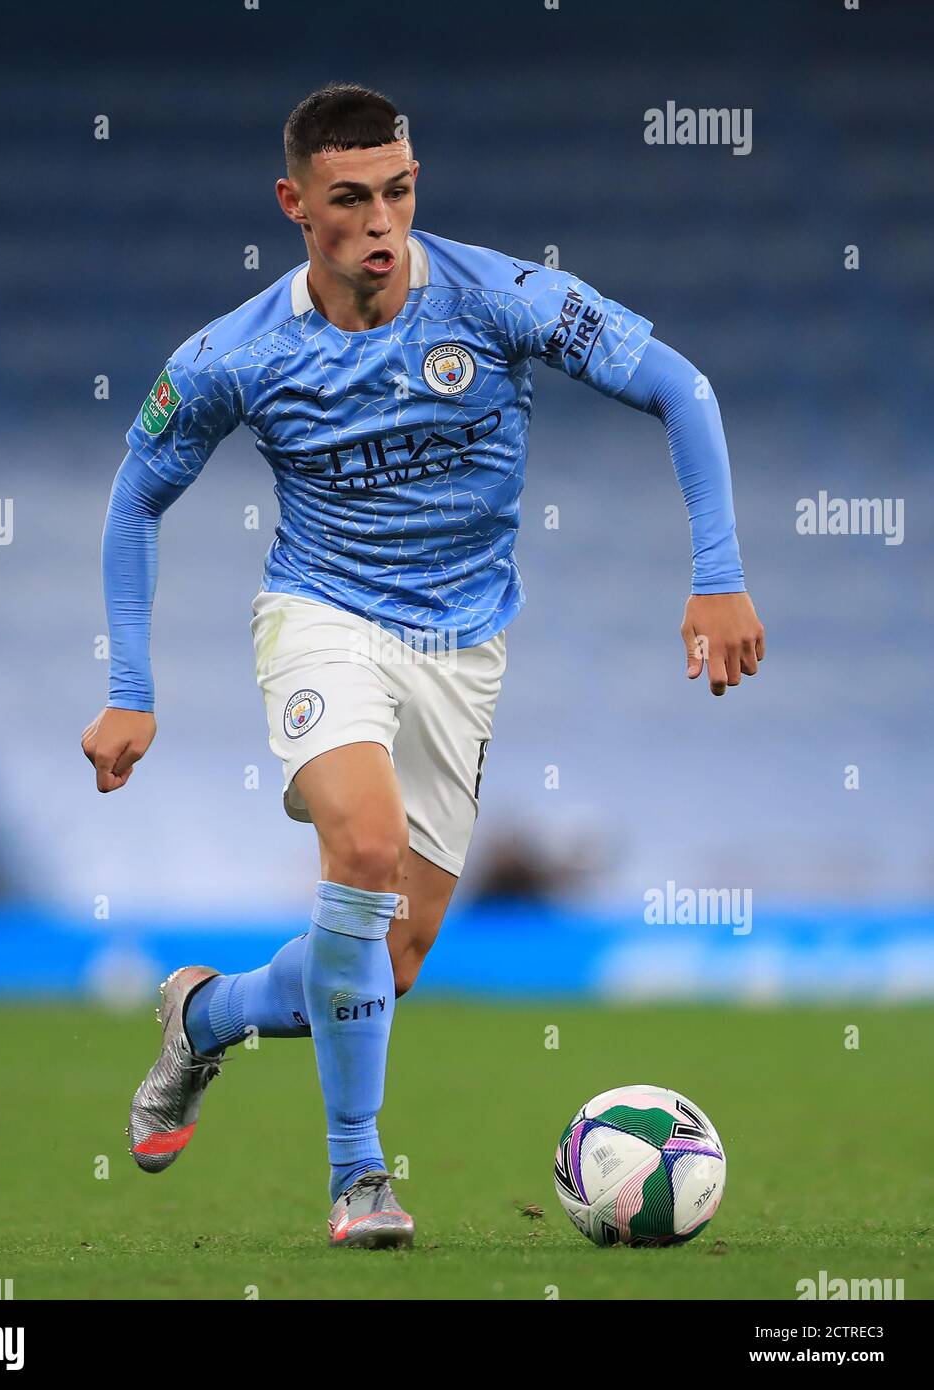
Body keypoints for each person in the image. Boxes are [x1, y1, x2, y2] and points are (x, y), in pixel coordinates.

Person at [81, 82, 765, 1250]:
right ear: (295, 205)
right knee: (362, 846)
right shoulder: (232, 357)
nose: (382, 221)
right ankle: (359, 1176)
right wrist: (131, 688)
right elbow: (136, 496)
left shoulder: (498, 298)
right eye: (350, 199)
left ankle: (204, 1014)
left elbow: (679, 387)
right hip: (321, 617)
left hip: (461, 646)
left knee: (383, 964)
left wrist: (717, 572)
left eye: (398, 190)